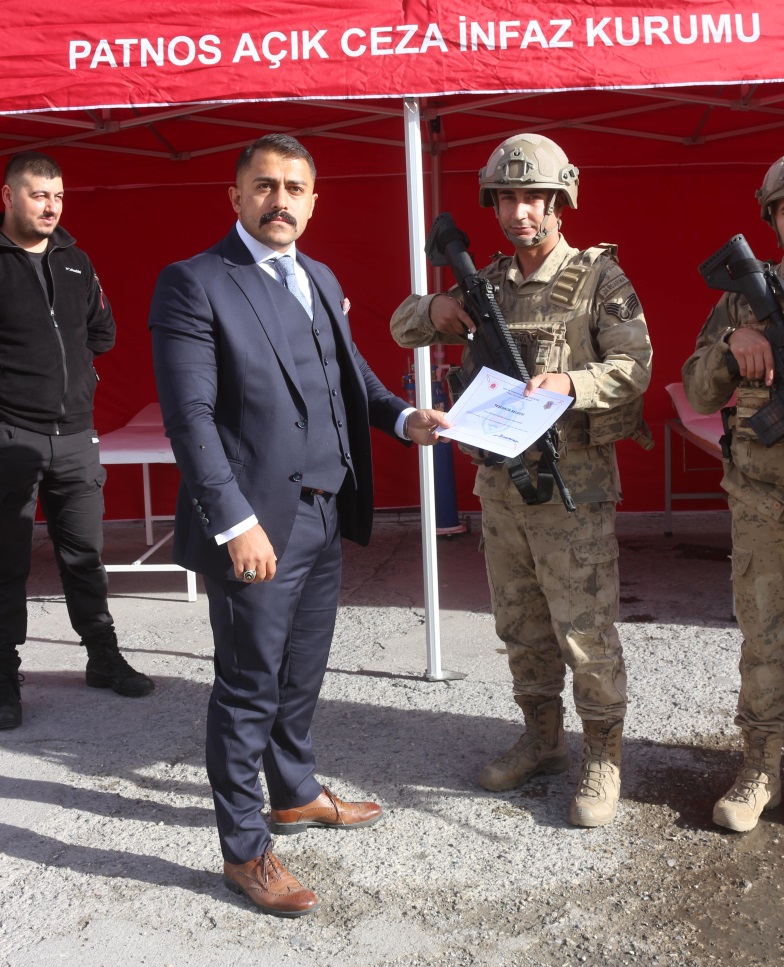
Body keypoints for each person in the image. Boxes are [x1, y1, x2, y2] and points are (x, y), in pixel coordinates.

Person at [149, 133, 448, 918]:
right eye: (264, 185)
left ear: (313, 202)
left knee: (302, 670)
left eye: (294, 188)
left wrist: (404, 418)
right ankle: (243, 850)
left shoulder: (318, 276)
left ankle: (294, 791)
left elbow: (349, 377)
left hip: (324, 509)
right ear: (236, 196)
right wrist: (234, 523)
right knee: (248, 685)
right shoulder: (194, 283)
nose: (279, 200)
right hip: (255, 524)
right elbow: (191, 419)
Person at [391, 134, 652, 827]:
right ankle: (542, 739)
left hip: (573, 488)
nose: (519, 213)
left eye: (533, 197)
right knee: (520, 625)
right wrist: (434, 311)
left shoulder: (598, 280)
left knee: (585, 631)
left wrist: (570, 382)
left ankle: (603, 754)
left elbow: (635, 366)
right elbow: (401, 327)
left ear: (560, 200)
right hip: (502, 487)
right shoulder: (487, 285)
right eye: (507, 199)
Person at [0, 153, 155, 731]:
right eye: (39, 195)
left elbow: (102, 333)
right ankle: (3, 672)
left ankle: (102, 657)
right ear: (8, 196)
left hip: (75, 437)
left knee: (84, 557)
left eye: (58, 196)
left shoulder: (75, 260)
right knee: (6, 561)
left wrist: (74, 380)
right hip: (10, 437)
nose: (51, 207)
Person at [682, 151, 784, 833]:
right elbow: (698, 390)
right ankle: (760, 769)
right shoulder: (741, 298)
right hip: (763, 510)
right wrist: (733, 342)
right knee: (763, 649)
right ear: (771, 219)